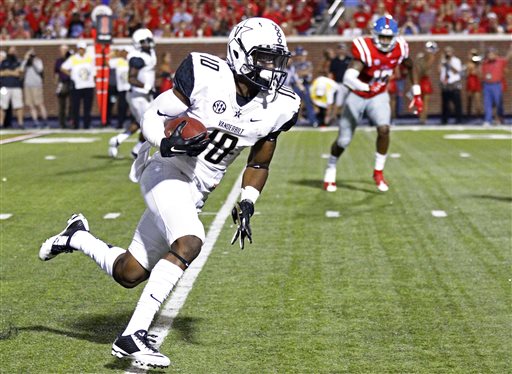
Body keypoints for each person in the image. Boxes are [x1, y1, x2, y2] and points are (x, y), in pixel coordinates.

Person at [39, 17, 300, 368]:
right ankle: (132, 335)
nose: (271, 69)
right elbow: (154, 112)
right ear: (239, 54)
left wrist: (248, 200)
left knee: (129, 272)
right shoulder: (205, 74)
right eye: (263, 58)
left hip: (198, 190)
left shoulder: (280, 106)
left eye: (275, 60)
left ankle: (76, 237)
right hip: (165, 169)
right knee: (190, 240)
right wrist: (164, 141)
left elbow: (259, 163)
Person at [323, 16, 422, 193]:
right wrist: (367, 86)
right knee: (343, 141)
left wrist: (416, 92)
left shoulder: (400, 47)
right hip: (357, 94)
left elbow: (410, 66)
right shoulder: (365, 49)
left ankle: (378, 172)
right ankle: (331, 168)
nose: (385, 41)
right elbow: (348, 78)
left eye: (388, 37)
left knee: (384, 129)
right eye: (382, 37)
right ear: (375, 36)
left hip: (379, 95)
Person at [108, 28, 157, 158]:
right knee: (149, 124)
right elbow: (131, 78)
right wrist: (146, 86)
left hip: (145, 95)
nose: (149, 43)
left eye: (149, 40)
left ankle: (117, 140)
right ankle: (138, 151)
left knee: (139, 122)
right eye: (145, 41)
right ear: (138, 43)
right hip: (138, 96)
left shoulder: (149, 53)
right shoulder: (137, 58)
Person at [61, 41, 96, 129]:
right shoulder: (73, 58)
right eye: (80, 49)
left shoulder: (90, 58)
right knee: (75, 107)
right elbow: (63, 68)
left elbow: (94, 71)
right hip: (77, 86)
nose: (82, 51)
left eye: (83, 49)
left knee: (87, 108)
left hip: (88, 85)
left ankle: (86, 125)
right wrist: (71, 75)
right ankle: (76, 125)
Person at [481, 46, 509, 126]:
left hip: (496, 84)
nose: (490, 55)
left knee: (498, 103)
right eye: (489, 53)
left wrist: (510, 49)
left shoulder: (500, 61)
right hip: (487, 85)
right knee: (487, 103)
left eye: (492, 53)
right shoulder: (485, 62)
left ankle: (500, 119)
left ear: (496, 54)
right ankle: (488, 120)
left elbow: (507, 57)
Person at [21, 48, 48, 128]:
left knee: (39, 103)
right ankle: (36, 122)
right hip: (28, 85)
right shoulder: (26, 63)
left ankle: (45, 121)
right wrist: (25, 60)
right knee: (31, 105)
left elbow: (40, 70)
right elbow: (21, 69)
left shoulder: (38, 61)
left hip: (36, 85)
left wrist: (33, 61)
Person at [0, 46, 24, 128]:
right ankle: (1, 123)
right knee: (3, 105)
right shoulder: (4, 62)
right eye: (11, 50)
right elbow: (1, 73)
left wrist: (8, 72)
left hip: (16, 86)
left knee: (18, 105)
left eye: (14, 50)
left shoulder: (18, 61)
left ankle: (20, 124)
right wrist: (13, 72)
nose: (13, 52)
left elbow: (19, 73)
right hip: (5, 87)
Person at [415, 41, 438, 124]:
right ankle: (422, 118)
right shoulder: (424, 58)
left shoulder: (430, 58)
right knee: (421, 101)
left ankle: (423, 118)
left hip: (424, 81)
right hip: (422, 81)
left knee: (424, 102)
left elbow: (424, 70)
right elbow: (420, 71)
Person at [107, 48, 130, 129]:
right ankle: (120, 123)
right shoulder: (117, 60)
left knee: (131, 106)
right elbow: (107, 62)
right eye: (123, 52)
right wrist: (112, 54)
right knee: (121, 106)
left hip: (130, 88)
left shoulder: (131, 60)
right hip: (120, 88)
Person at [439, 46, 462, 125]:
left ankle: (458, 119)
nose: (447, 53)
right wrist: (441, 62)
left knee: (456, 103)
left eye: (449, 52)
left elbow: (457, 71)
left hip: (454, 84)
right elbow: (439, 71)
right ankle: (444, 120)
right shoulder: (443, 61)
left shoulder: (456, 60)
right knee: (445, 104)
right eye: (446, 52)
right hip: (445, 84)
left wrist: (449, 64)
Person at [328, 42, 351, 119]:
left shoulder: (350, 59)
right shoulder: (334, 60)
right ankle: (333, 118)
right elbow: (331, 73)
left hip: (349, 84)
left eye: (343, 49)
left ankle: (347, 117)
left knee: (349, 102)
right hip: (338, 83)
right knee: (338, 102)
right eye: (340, 49)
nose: (341, 51)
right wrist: (331, 83)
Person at [54, 45, 72, 129]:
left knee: (72, 104)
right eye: (61, 50)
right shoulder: (58, 61)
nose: (62, 52)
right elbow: (57, 73)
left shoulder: (71, 59)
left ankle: (71, 121)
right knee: (62, 104)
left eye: (64, 50)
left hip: (71, 82)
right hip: (62, 82)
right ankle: (62, 123)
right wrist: (56, 84)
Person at [465, 48, 483, 121]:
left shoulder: (479, 64)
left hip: (476, 81)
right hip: (470, 81)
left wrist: (478, 65)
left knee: (478, 100)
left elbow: (480, 75)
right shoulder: (469, 63)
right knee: (469, 99)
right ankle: (468, 116)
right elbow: (467, 74)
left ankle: (479, 116)